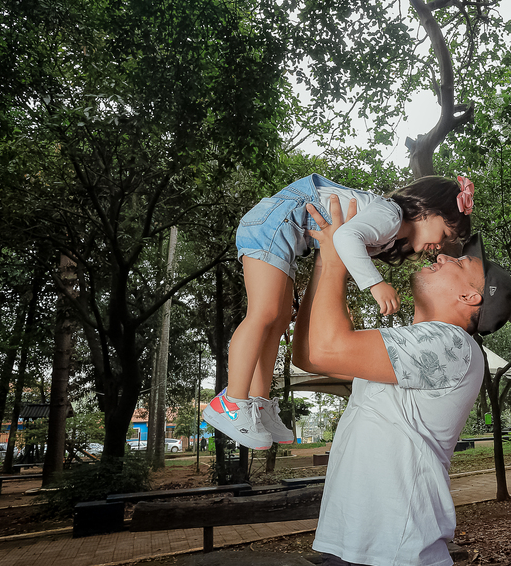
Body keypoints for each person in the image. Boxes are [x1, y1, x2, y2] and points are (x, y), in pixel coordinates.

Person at [291, 193, 511, 566]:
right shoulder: (410, 344)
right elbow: (309, 355)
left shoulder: (451, 345)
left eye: (460, 263)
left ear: (472, 298)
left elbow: (325, 348)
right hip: (348, 559)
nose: (443, 256)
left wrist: (336, 253)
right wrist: (329, 257)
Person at [202, 173, 475, 450]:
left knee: (280, 317)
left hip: (286, 232)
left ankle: (258, 403)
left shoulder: (390, 236)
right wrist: (375, 284)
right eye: (445, 234)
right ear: (428, 211)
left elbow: (339, 246)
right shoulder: (391, 216)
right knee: (264, 313)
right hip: (275, 223)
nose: (440, 247)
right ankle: (232, 401)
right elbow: (345, 236)